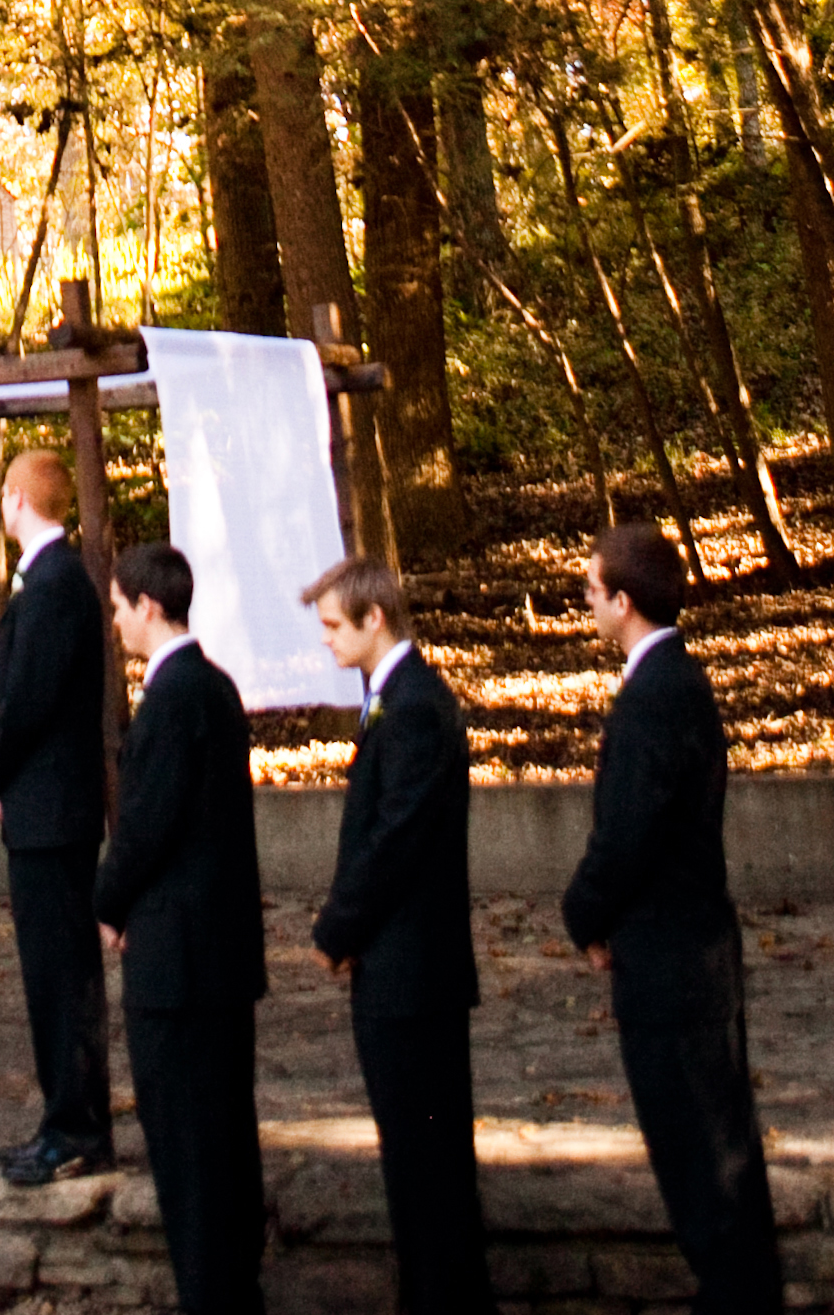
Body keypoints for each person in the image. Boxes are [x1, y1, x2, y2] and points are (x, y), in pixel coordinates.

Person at [563, 523, 783, 1315]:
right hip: (693, 954)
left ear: (623, 602)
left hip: (670, 964)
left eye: (591, 590)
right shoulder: (677, 684)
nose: (586, 602)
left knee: (700, 1158)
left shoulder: (652, 698)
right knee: (716, 1150)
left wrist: (582, 913)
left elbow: (628, 834)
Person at [309, 556, 495, 1315]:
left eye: (331, 626)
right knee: (413, 1160)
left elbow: (397, 837)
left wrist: (336, 927)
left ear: (373, 618)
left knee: (428, 1162)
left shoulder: (415, 706)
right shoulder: (392, 700)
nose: (324, 641)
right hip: (397, 968)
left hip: (413, 974)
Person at [96, 545, 264, 1315]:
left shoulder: (170, 701)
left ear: (149, 607)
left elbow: (145, 827)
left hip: (178, 957)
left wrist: (108, 901)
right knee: (224, 1131)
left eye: (121, 607)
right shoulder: (218, 690)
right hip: (220, 950)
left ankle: (211, 1295)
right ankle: (234, 1284)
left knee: (188, 1142)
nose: (118, 622)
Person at [0, 447, 112, 1186]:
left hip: (53, 809)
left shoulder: (55, 585)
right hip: (44, 805)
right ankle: (65, 1119)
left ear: (18, 500)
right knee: (51, 973)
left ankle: (77, 1127)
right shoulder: (54, 580)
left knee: (61, 976)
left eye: (4, 494)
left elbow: (24, 699)